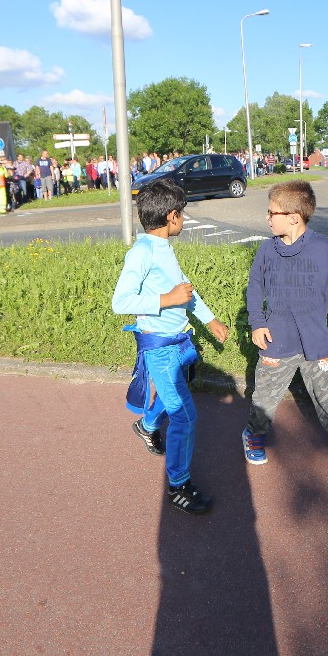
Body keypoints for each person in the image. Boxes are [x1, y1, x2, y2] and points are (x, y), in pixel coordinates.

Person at [242, 180, 328, 478]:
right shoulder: (267, 251)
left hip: (315, 343)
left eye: (272, 212)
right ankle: (253, 434)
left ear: (294, 217)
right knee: (264, 398)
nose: (268, 217)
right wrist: (258, 323)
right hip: (276, 341)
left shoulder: (322, 248)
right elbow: (255, 287)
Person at [112, 179, 230, 515]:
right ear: (172, 216)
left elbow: (185, 292)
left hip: (178, 341)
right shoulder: (142, 252)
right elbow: (120, 301)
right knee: (185, 415)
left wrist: (209, 319)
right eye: (183, 214)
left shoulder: (163, 247)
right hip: (160, 347)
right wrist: (167, 299)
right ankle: (178, 485)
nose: (183, 220)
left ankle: (147, 426)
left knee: (177, 391)